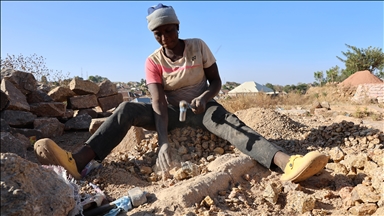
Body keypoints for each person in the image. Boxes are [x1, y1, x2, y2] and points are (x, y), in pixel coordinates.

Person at [34, 3, 328, 183]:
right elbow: (158, 103)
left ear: (178, 27)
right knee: (126, 110)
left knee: (234, 126)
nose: (164, 39)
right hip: (171, 114)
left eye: (169, 31)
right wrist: (163, 143)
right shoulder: (153, 61)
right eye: (158, 34)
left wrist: (205, 98)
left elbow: (216, 81)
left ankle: (287, 163)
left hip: (203, 109)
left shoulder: (198, 46)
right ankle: (78, 161)